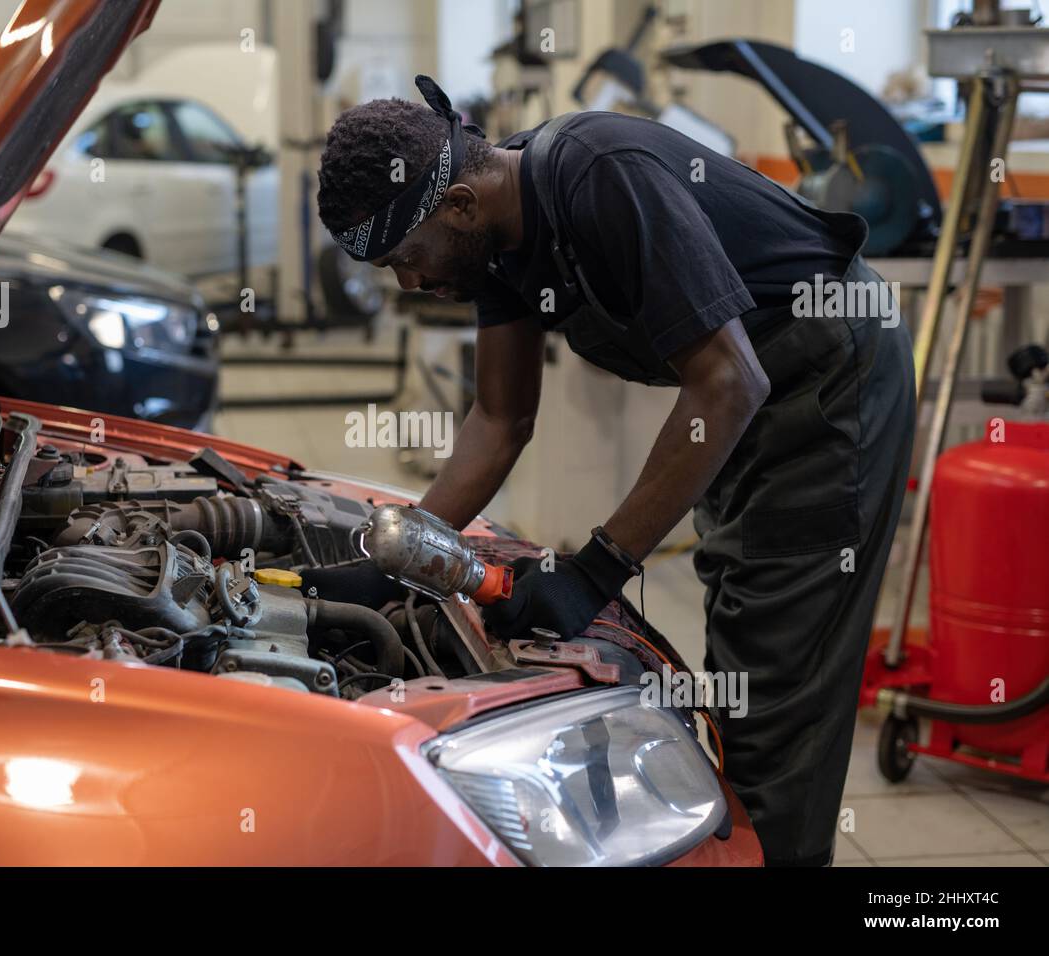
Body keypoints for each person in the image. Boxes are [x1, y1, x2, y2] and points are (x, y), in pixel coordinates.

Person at [313, 76, 916, 867]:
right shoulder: (493, 237)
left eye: (407, 259)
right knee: (741, 623)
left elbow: (729, 382)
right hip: (749, 397)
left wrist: (597, 567)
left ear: (458, 204)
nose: (412, 283)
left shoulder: (601, 174)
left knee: (777, 687)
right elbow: (499, 421)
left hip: (828, 384)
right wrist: (396, 563)